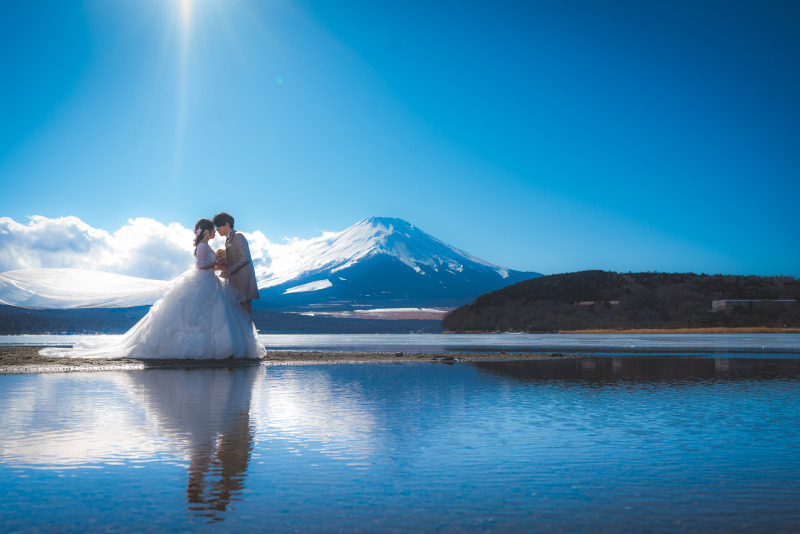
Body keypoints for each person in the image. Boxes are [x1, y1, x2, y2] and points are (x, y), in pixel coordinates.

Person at [39, 219, 265, 359]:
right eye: (212, 230)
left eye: (216, 229)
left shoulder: (205, 245)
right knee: (201, 315)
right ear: (206, 231)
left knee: (211, 315)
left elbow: (206, 265)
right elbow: (200, 266)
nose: (215, 232)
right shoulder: (203, 247)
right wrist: (216, 265)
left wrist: (216, 266)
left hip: (209, 282)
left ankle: (219, 348)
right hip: (203, 281)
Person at [213, 212, 260, 315]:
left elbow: (244, 258)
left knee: (244, 318)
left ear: (226, 224)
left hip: (243, 285)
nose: (217, 230)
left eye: (218, 226)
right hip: (235, 285)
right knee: (239, 318)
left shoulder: (238, 236)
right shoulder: (229, 239)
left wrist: (228, 268)